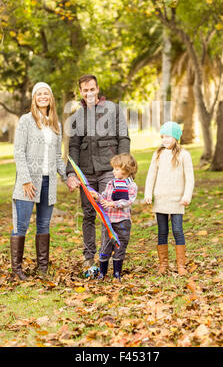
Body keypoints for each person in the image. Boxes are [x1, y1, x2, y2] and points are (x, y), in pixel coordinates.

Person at [66, 74, 130, 275]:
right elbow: (73, 147)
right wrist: (71, 173)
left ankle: (106, 256)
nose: (89, 93)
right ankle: (88, 258)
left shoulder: (113, 110)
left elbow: (124, 138)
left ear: (97, 89)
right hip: (86, 173)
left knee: (107, 214)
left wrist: (124, 167)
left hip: (109, 171)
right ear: (80, 92)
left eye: (92, 89)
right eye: (85, 90)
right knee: (88, 215)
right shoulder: (77, 116)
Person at [11, 82, 67, 280]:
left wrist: (67, 177)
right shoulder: (26, 121)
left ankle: (42, 269)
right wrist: (25, 180)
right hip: (28, 182)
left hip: (48, 182)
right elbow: (18, 152)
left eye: (46, 93)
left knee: (43, 224)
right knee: (21, 225)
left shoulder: (55, 124)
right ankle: (16, 270)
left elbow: (58, 157)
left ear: (51, 98)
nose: (43, 96)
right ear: (34, 98)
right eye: (39, 94)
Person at [144, 121, 194, 276]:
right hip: (161, 200)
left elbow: (190, 177)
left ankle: (181, 265)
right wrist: (148, 193)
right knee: (162, 231)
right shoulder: (158, 154)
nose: (165, 140)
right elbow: (151, 175)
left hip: (177, 200)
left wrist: (187, 195)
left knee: (178, 230)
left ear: (176, 137)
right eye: (163, 137)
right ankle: (163, 264)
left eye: (168, 136)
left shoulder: (184, 155)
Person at [90, 153, 138, 281]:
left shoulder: (131, 186)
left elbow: (128, 201)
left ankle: (117, 273)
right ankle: (102, 273)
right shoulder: (111, 183)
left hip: (122, 222)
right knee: (106, 246)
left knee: (120, 246)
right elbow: (104, 197)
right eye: (114, 168)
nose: (113, 171)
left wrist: (113, 204)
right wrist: (98, 197)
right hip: (109, 222)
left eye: (117, 169)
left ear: (127, 169)